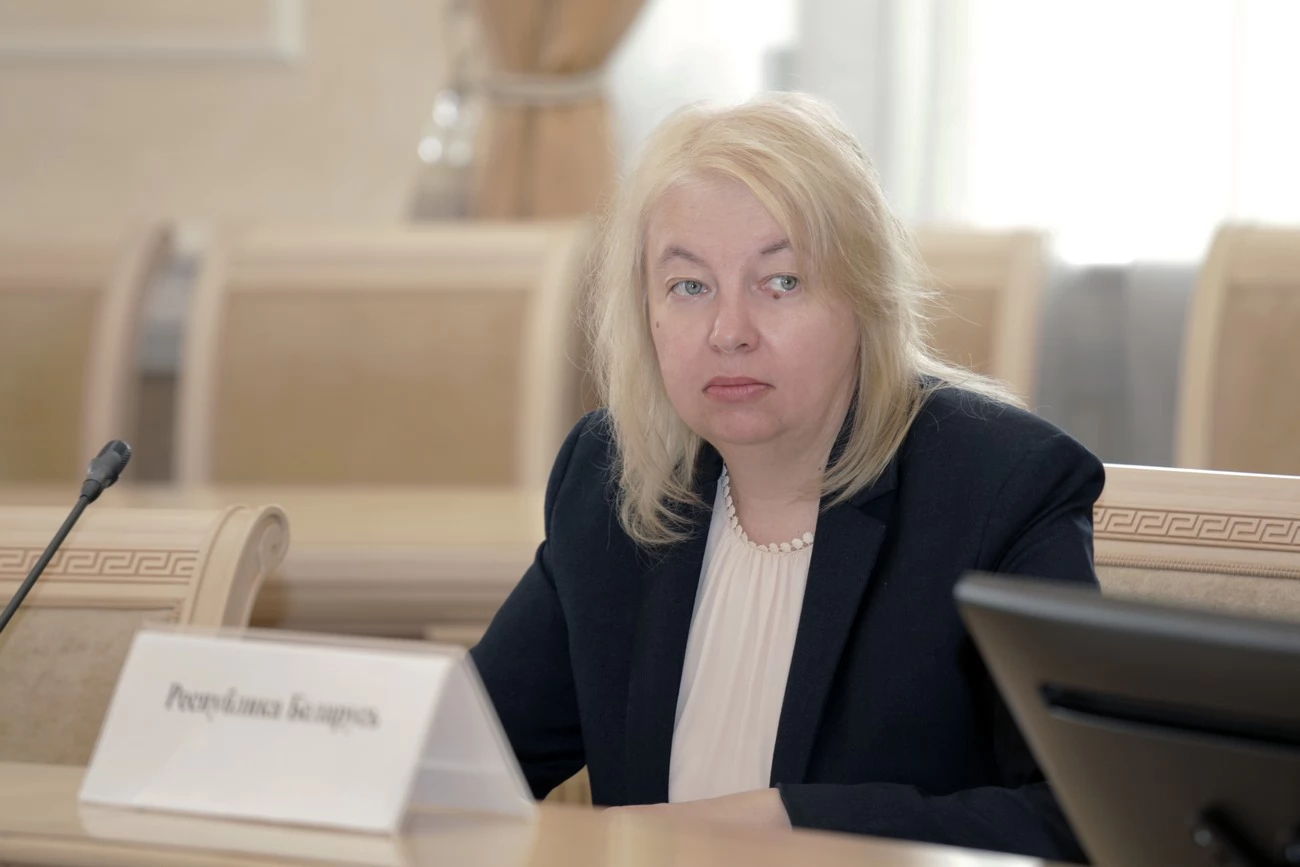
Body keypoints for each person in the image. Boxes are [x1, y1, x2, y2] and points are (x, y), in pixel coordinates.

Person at [470, 92, 1102, 863]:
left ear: (865, 296)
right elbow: (460, 765)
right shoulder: (614, 477)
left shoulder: (1000, 487)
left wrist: (789, 821)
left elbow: (1081, 820)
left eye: (782, 282)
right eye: (690, 286)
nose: (729, 331)